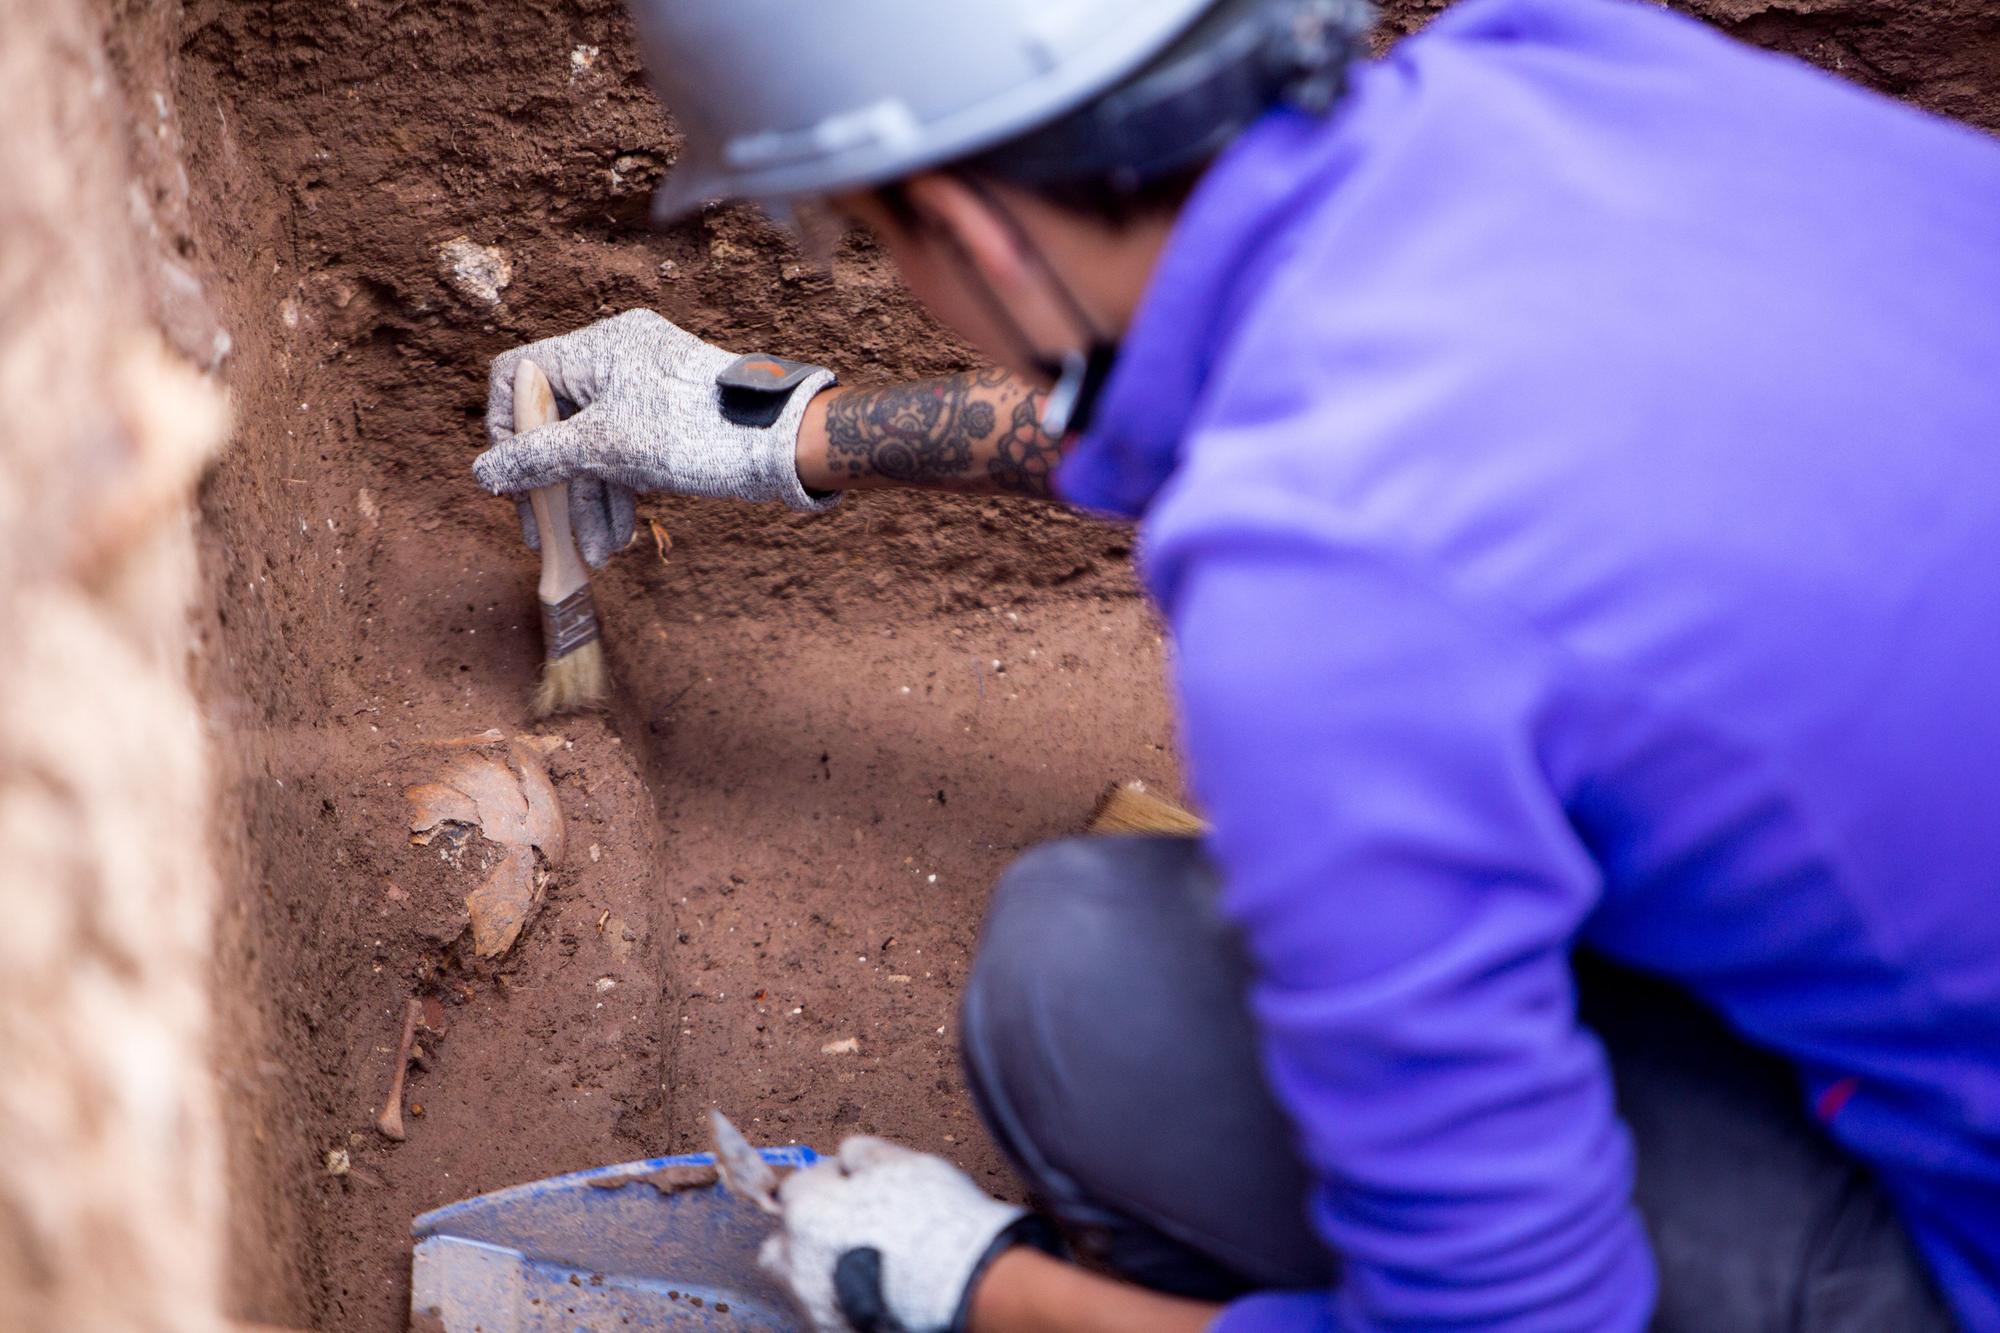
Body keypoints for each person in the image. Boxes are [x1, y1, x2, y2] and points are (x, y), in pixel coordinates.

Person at [471, 0, 2000, 1328]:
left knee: (1077, 989)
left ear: (976, 225)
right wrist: (782, 428)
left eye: (859, 230)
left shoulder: (1329, 612)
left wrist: (972, 1286)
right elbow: (1268, 366)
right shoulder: (1563, 68)